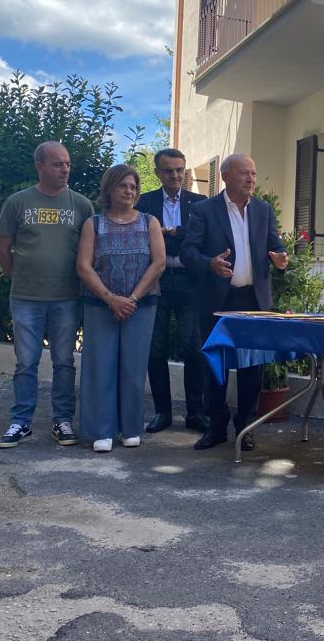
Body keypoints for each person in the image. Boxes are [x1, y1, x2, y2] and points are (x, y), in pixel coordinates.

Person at [179, 154, 288, 451]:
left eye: (253, 173)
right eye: (244, 173)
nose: (251, 179)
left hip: (254, 300)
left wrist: (280, 258)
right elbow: (188, 252)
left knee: (252, 366)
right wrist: (209, 263)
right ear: (225, 176)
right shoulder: (204, 210)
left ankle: (246, 426)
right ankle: (216, 427)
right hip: (217, 299)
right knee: (216, 365)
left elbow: (275, 247)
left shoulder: (263, 209)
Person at [0, 141, 94, 448]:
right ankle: (21, 422)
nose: (65, 169)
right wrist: (20, 275)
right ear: (39, 167)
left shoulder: (81, 205)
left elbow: (91, 252)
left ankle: (62, 420)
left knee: (64, 361)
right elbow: (1, 247)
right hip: (26, 297)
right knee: (26, 362)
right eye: (57, 164)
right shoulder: (18, 202)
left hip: (67, 297)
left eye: (67, 164)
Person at [76, 165, 165, 452]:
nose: (129, 191)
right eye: (123, 185)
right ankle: (101, 430)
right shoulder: (94, 224)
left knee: (133, 368)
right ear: (109, 189)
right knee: (100, 366)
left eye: (133, 186)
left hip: (141, 306)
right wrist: (111, 298)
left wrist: (132, 298)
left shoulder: (149, 222)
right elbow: (83, 266)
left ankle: (130, 428)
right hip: (100, 305)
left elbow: (159, 263)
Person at [134, 148, 208, 433]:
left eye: (179, 170)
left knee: (194, 347)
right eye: (168, 170)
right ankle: (162, 412)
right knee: (155, 347)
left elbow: (204, 237)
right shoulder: (144, 203)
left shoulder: (200, 204)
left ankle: (195, 413)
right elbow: (140, 236)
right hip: (157, 279)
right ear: (157, 173)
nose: (175, 175)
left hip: (191, 281)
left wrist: (173, 232)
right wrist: (174, 233)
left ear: (185, 171)